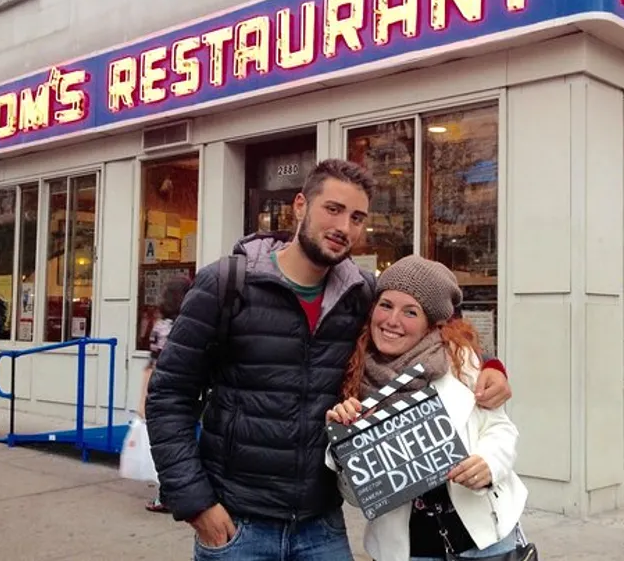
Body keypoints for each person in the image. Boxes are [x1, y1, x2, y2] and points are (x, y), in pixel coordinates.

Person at [146, 158, 512, 561]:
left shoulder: (361, 293)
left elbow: (437, 321)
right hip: (238, 523)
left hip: (321, 526)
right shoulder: (226, 284)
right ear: (300, 206)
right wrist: (195, 502)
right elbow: (169, 396)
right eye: (333, 209)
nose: (344, 227)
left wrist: (492, 366)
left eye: (357, 217)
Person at [326, 255, 528, 561]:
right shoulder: (354, 377)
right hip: (408, 551)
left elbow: (500, 429)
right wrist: (344, 445)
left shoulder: (461, 363)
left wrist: (488, 463)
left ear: (430, 322)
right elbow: (355, 497)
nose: (392, 321)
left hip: (487, 540)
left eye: (410, 311)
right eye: (386, 305)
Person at [140, 274, 192, 514]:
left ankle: (167, 496)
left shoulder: (161, 327)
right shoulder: (191, 324)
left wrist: (144, 399)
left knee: (171, 446)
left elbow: (153, 363)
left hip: (166, 394)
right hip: (192, 392)